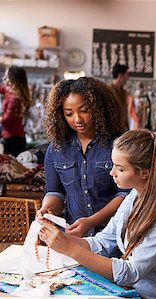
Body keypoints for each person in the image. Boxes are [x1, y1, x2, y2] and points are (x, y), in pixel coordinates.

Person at [38, 129, 156, 299]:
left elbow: (131, 271)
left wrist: (70, 249)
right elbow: (102, 242)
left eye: (120, 169)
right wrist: (60, 238)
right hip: (137, 294)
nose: (111, 173)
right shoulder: (134, 196)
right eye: (113, 165)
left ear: (144, 172)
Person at [37, 77, 128, 237]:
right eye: (69, 113)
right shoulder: (57, 148)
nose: (77, 119)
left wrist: (91, 221)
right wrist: (48, 209)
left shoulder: (117, 145)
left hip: (113, 236)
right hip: (74, 236)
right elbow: (55, 192)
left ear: (98, 108)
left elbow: (125, 194)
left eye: (84, 110)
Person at [108, 64, 129, 129]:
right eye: (127, 75)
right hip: (111, 129)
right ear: (120, 76)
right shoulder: (108, 91)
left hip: (122, 129)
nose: (128, 78)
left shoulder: (123, 92)